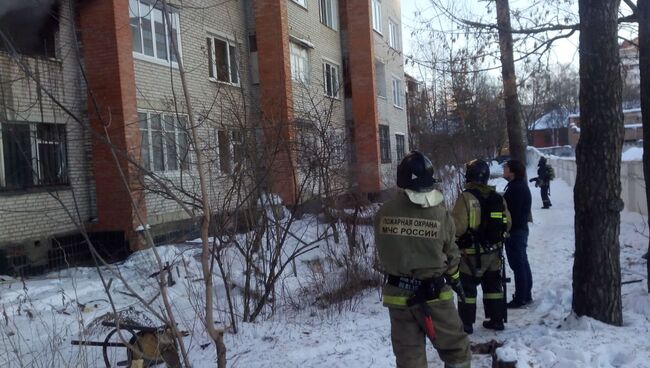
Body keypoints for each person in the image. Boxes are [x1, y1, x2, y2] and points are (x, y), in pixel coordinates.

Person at [375, 151, 471, 368]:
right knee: (457, 351)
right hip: (434, 295)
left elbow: (385, 249)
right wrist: (455, 278)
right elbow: (452, 255)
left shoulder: (383, 212)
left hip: (399, 298)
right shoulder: (439, 213)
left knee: (409, 360)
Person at [452, 159, 511, 334]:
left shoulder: (465, 198)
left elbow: (457, 226)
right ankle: (497, 320)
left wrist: (453, 241)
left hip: (470, 256)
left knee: (468, 291)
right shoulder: (497, 198)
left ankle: (467, 324)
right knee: (493, 288)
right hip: (494, 253)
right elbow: (507, 223)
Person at [502, 159, 533, 309]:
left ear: (512, 172)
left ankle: (521, 297)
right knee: (522, 263)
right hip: (519, 230)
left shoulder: (516, 188)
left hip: (515, 232)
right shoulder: (516, 186)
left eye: (506, 167)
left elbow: (511, 212)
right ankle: (525, 294)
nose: (504, 169)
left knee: (518, 264)